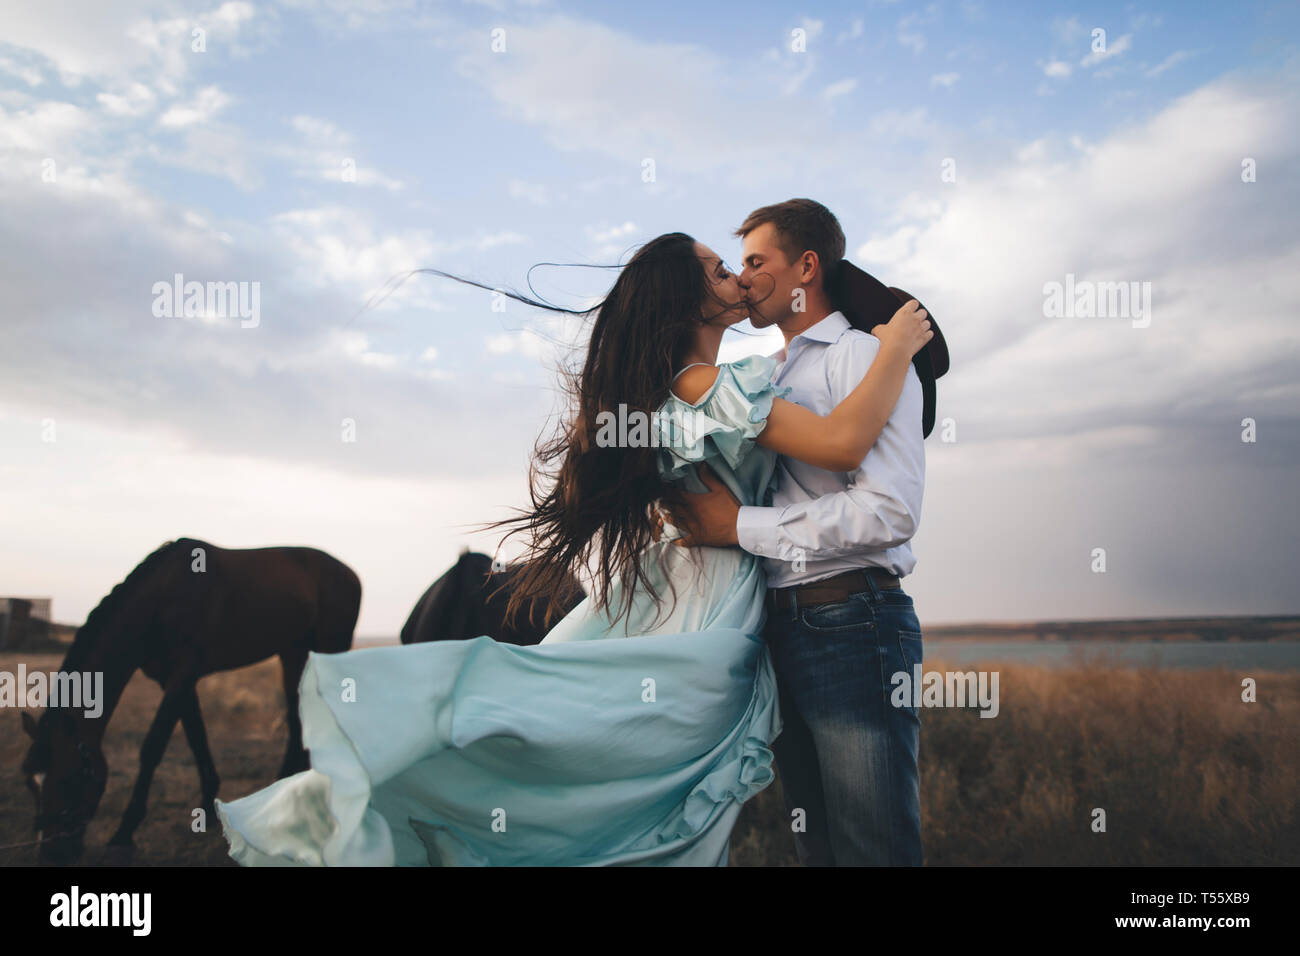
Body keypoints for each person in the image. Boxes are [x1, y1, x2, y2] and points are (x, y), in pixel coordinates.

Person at [213, 231, 931, 866]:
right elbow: (841, 441)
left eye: (739, 265)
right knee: (639, 797)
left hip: (704, 594)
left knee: (614, 783)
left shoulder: (683, 391)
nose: (737, 280)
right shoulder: (709, 387)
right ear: (685, 303)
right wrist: (896, 345)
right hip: (710, 613)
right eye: (719, 271)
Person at [665, 199, 929, 866]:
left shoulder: (863, 355)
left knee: (874, 849)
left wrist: (739, 526)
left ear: (806, 267)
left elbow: (891, 512)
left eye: (756, 262)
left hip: (853, 618)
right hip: (779, 631)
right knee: (818, 850)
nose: (745, 277)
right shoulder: (771, 377)